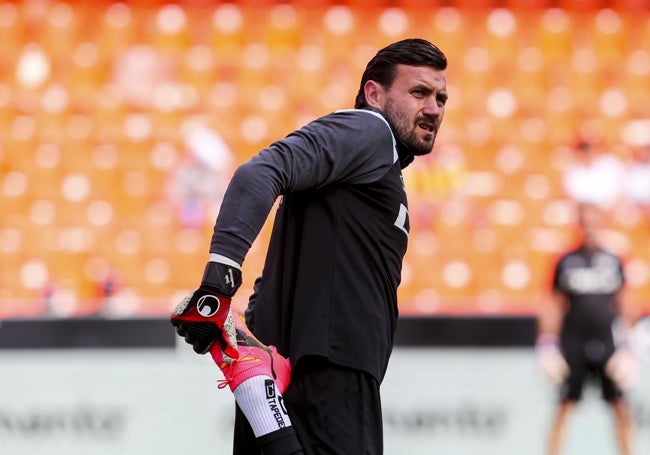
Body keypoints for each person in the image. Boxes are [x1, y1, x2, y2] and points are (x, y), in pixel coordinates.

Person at [170, 38, 449, 454]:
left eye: (441, 97)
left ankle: (252, 378)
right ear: (374, 93)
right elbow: (259, 172)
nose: (434, 108)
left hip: (293, 378)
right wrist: (219, 280)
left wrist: (253, 341)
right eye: (419, 92)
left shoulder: (371, 168)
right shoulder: (370, 131)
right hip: (330, 373)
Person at [536, 202, 639, 455]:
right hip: (574, 342)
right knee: (564, 406)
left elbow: (625, 304)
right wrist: (547, 345)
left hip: (607, 342)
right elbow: (553, 305)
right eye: (585, 222)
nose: (590, 228)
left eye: (594, 222)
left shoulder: (613, 260)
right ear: (578, 225)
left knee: (620, 408)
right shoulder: (566, 261)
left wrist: (630, 346)